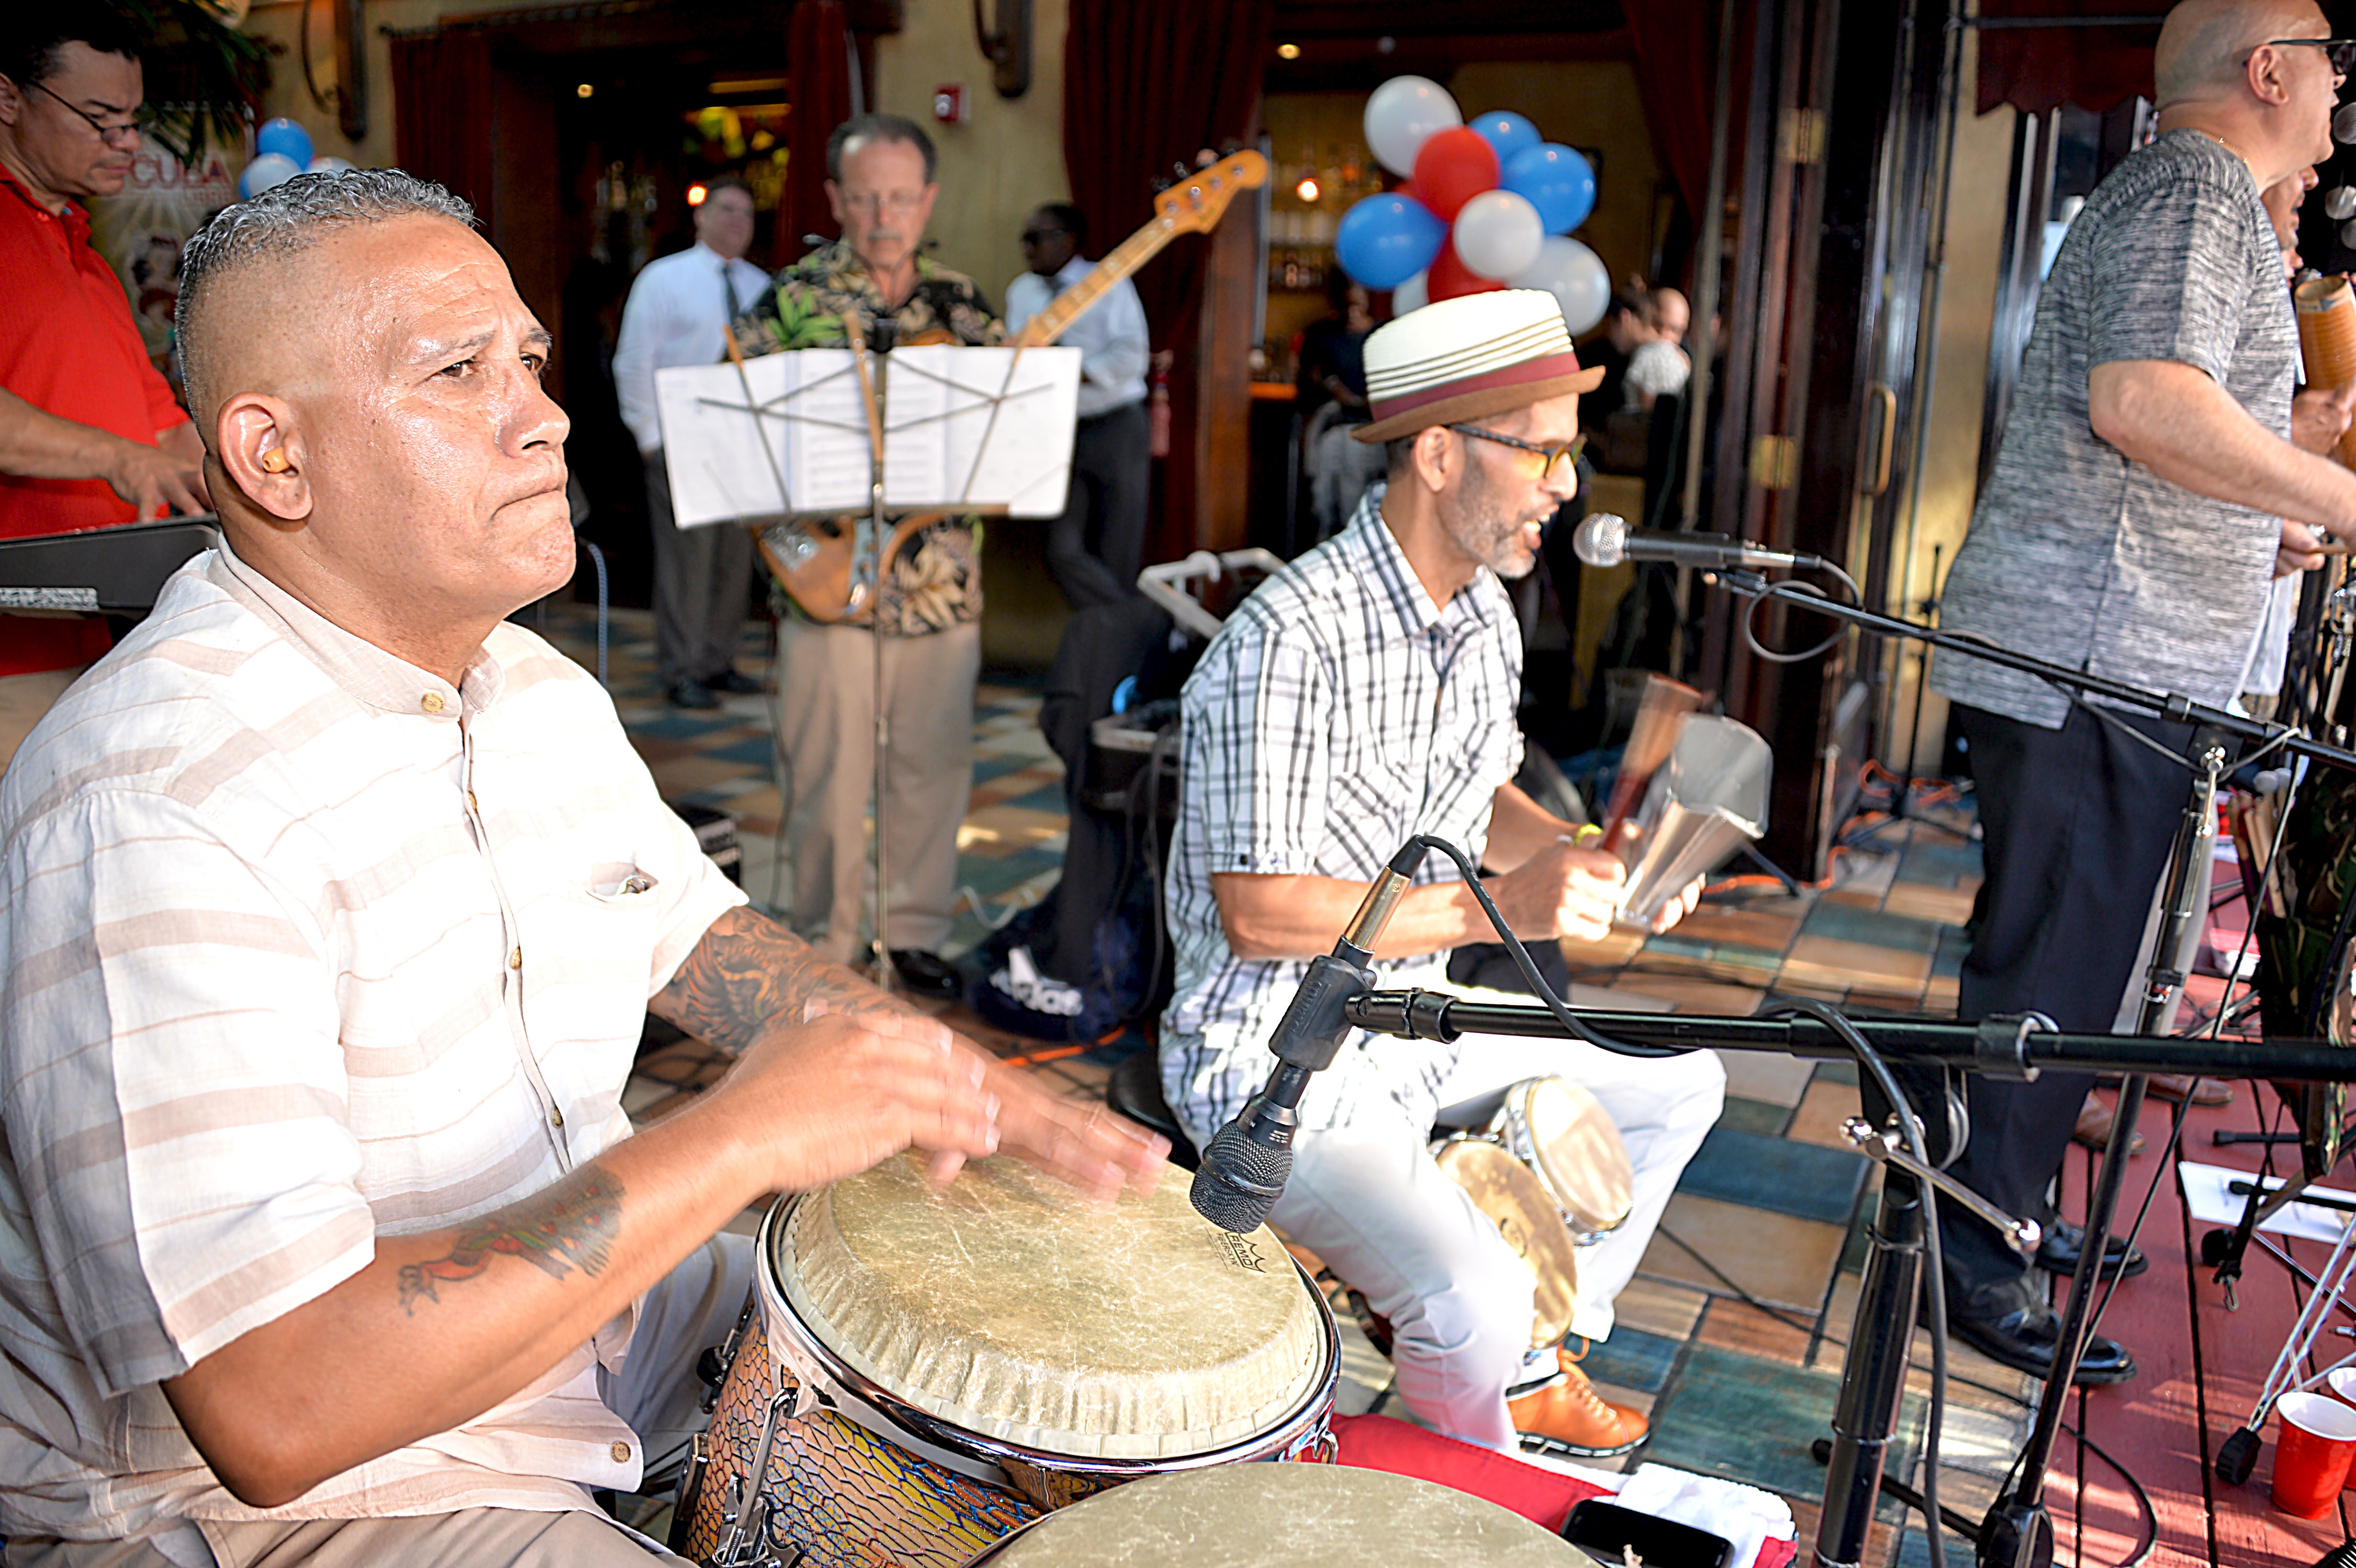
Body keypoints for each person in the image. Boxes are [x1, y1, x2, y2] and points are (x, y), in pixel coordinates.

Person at [0, 169, 1165, 1566]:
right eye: (458, 372)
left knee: (1038, 1404)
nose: (545, 414)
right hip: (282, 1501)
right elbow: (276, 1401)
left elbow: (705, 946)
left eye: (532, 363)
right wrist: (739, 1135)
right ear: (274, 455)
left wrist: (944, 1084)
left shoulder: (529, 690)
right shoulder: (158, 800)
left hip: (576, 1355)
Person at [1159, 288, 1724, 1459]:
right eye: (1543, 449)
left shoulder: (1483, 615)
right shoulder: (1288, 637)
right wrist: (1494, 906)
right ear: (1434, 453)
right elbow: (1260, 915)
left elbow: (1486, 801)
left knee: (1688, 1084)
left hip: (1408, 1024)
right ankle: (1485, 1483)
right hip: (1269, 1057)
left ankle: (1539, 1342)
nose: (1569, 485)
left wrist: (1589, 859)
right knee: (1468, 1294)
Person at [1930, 0, 2356, 1384]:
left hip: (2110, 654)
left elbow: (2169, 434)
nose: (2344, 95)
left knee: (2072, 965)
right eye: (2338, 61)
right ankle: (1968, 1251)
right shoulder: (2195, 190)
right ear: (2272, 67)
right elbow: (2145, 401)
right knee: (2048, 969)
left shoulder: (2197, 194)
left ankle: (2009, 1202)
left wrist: (2271, 519)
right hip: (2089, 662)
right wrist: (2340, 495)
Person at [730, 114, 997, 1000]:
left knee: (933, 766)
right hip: (826, 591)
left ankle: (916, 933)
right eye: (865, 196)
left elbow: (1005, 445)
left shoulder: (966, 308)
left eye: (900, 196)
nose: (884, 215)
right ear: (837, 200)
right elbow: (735, 457)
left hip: (939, 582)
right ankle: (823, 943)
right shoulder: (786, 303)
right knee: (825, 776)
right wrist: (803, 560)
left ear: (926, 200)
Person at [0, 12, 208, 770]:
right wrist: (123, 462)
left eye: (133, 121)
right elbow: (135, 456)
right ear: (8, 99)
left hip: (102, 636)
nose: (126, 143)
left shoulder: (86, 256)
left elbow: (162, 434)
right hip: (11, 659)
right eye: (100, 120)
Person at [611, 176, 772, 710]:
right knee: (688, 561)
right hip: (681, 438)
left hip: (741, 443)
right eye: (726, 210)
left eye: (746, 215)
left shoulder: (760, 287)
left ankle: (717, 660)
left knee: (731, 558)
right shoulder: (664, 278)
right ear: (701, 217)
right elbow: (634, 359)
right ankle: (681, 669)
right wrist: (650, 437)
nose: (736, 222)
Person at [1004, 201, 1150, 611]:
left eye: (1036, 238)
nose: (1027, 249)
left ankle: (1113, 653)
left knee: (1118, 551)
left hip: (1116, 424)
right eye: (1024, 239)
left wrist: (1067, 371)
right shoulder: (1023, 291)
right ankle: (1127, 624)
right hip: (1056, 429)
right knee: (1061, 548)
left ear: (1068, 241)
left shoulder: (1108, 282)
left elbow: (1132, 357)